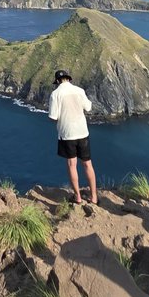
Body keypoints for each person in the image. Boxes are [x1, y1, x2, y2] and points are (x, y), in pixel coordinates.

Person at [48, 69, 96, 204]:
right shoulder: (79, 90)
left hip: (67, 133)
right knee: (87, 163)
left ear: (57, 81)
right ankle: (94, 197)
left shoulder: (55, 94)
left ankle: (78, 197)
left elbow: (53, 117)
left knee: (71, 164)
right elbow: (88, 107)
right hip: (82, 131)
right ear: (69, 79)